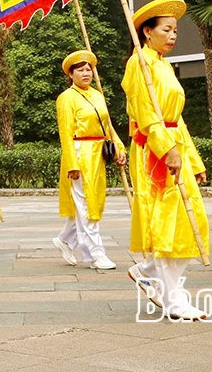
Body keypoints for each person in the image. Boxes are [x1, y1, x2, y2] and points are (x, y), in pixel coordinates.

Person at [123, 0, 210, 321]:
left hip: (173, 146)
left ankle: (146, 271)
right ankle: (174, 299)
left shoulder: (162, 65)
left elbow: (176, 119)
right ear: (147, 32)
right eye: (167, 29)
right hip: (154, 151)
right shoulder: (139, 63)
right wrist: (166, 149)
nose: (173, 36)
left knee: (188, 220)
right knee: (167, 222)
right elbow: (147, 115)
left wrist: (193, 160)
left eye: (175, 30)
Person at [53, 51, 127, 270]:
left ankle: (65, 239)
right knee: (87, 205)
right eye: (80, 70)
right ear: (71, 74)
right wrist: (72, 163)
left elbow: (108, 126)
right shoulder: (67, 98)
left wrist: (119, 148)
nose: (86, 73)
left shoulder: (97, 94)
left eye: (89, 69)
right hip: (80, 153)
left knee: (91, 202)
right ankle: (96, 253)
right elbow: (65, 133)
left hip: (98, 152)